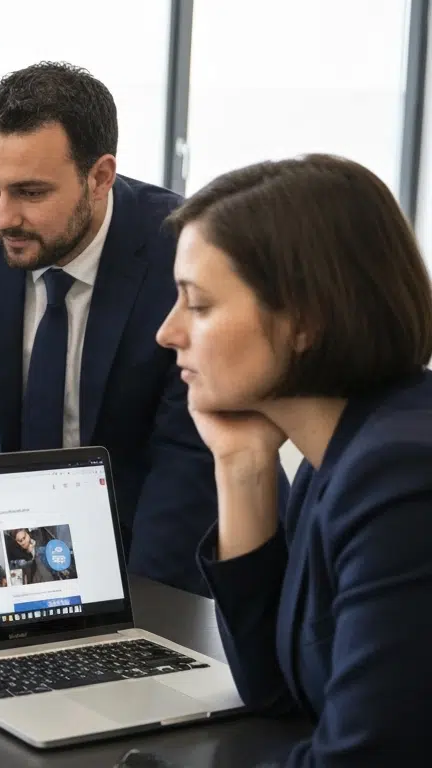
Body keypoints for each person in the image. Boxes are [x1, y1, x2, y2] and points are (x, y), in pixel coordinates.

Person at [0, 62, 255, 595]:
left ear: (100, 177)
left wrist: (145, 608)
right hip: (23, 538)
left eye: (30, 192)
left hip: (154, 526)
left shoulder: (181, 248)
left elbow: (184, 456)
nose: (3, 217)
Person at [156, 154, 432, 764]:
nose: (169, 332)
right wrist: (242, 467)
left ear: (304, 322)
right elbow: (276, 691)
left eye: (197, 305)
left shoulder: (401, 480)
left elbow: (363, 758)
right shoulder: (333, 457)